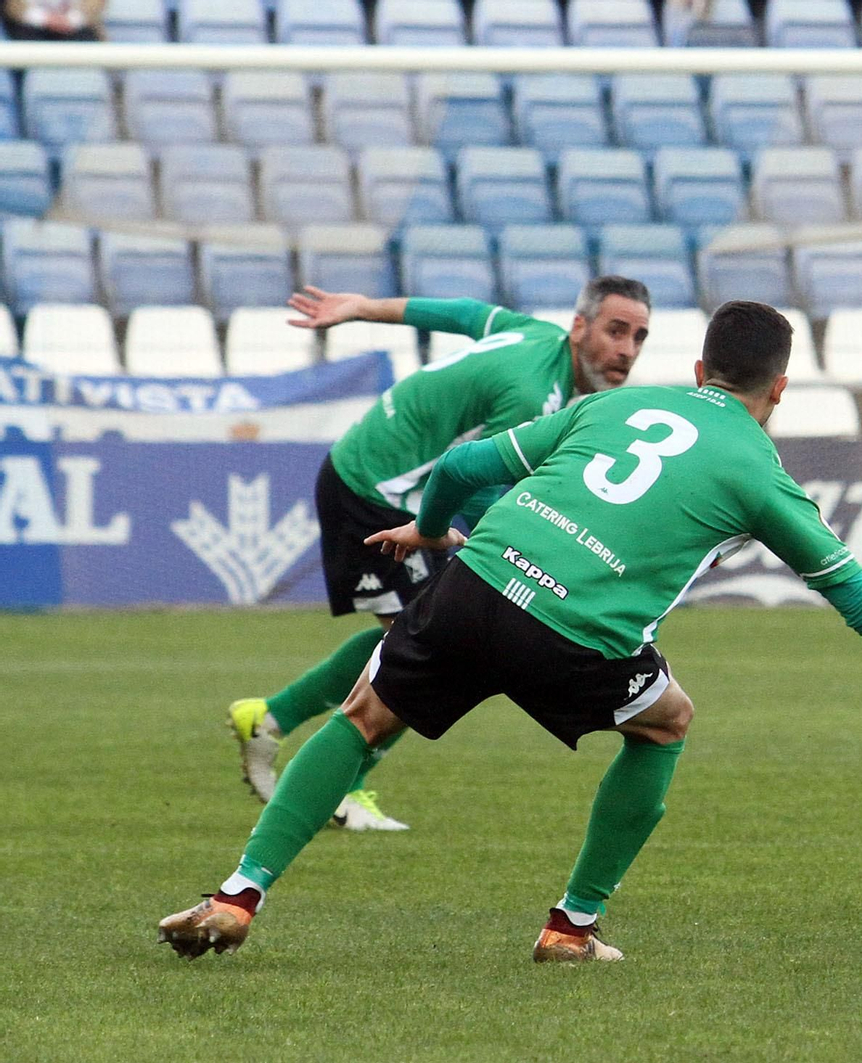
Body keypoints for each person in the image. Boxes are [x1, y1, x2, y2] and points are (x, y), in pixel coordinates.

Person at [158, 301, 862, 963]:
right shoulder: (761, 474)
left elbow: (466, 463)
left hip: (477, 581)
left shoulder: (610, 405)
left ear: (698, 367)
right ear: (778, 388)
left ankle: (239, 893)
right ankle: (571, 925)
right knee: (667, 720)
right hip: (573, 635)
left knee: (362, 718)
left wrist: (432, 530)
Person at [225, 278, 652, 831]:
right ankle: (331, 773)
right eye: (616, 330)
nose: (626, 349)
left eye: (639, 336)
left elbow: (461, 312)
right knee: (423, 643)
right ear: (579, 326)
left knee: (418, 637)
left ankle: (272, 718)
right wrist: (504, 553)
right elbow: (477, 485)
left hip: (381, 478)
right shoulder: (531, 393)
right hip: (374, 487)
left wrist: (362, 306)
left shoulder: (532, 334)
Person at [3, 0, 103, 40]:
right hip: (30, 29)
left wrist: (69, 21)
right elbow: (13, 8)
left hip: (77, 30)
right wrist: (45, 19)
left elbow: (94, 7)